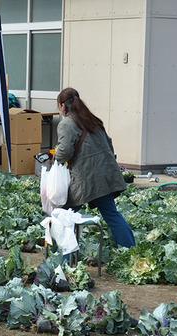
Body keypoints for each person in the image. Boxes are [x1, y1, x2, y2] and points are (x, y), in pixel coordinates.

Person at [54, 87, 135, 248]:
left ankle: (63, 254)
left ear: (63, 105)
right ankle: (130, 249)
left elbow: (65, 151)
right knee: (112, 214)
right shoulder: (93, 120)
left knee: (63, 214)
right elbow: (110, 145)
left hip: (88, 179)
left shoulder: (67, 124)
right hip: (106, 174)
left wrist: (54, 158)